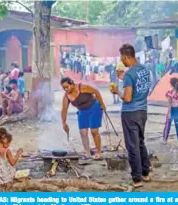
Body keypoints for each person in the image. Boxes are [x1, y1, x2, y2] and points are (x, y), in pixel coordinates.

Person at [110, 44, 151, 188]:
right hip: (143, 111)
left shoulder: (129, 74)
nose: (122, 62)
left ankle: (136, 178)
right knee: (140, 142)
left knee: (132, 146)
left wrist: (117, 92)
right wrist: (124, 80)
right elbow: (139, 86)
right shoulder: (144, 70)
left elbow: (127, 98)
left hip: (130, 113)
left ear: (127, 56)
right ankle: (145, 172)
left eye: (123, 58)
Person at [61, 77, 106, 160]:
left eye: (67, 87)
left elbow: (96, 91)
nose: (65, 89)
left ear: (72, 84)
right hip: (82, 111)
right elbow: (64, 110)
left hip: (94, 108)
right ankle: (87, 153)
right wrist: (64, 123)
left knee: (94, 131)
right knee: (83, 132)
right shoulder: (66, 97)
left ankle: (98, 152)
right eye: (63, 88)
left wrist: (102, 104)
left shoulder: (82, 87)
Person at [162, 78, 178, 148]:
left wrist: (169, 113)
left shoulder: (170, 92)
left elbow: (170, 103)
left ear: (171, 84)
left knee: (167, 125)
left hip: (172, 110)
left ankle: (164, 139)